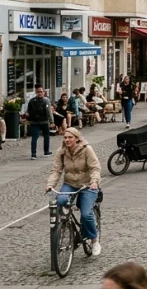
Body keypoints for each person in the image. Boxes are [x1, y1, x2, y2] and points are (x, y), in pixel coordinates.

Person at [45, 127, 102, 255]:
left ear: (77, 138)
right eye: (65, 137)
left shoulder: (87, 149)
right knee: (61, 200)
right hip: (70, 183)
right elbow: (56, 171)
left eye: (70, 137)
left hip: (87, 184)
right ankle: (66, 225)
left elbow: (95, 168)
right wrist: (50, 185)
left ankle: (94, 240)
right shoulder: (61, 152)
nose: (67, 140)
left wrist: (94, 182)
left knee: (86, 214)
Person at [23, 84, 54, 159]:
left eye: (41, 92)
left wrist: (51, 121)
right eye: (38, 92)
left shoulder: (46, 100)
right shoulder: (32, 101)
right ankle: (33, 153)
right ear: (36, 93)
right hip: (35, 122)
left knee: (46, 137)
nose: (40, 93)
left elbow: (49, 112)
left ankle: (46, 151)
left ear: (44, 92)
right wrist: (27, 115)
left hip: (44, 122)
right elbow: (28, 111)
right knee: (34, 137)